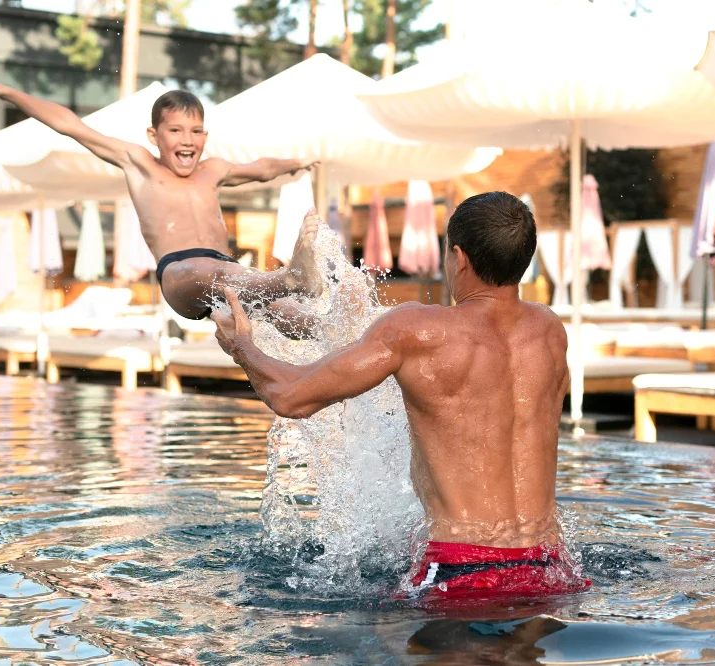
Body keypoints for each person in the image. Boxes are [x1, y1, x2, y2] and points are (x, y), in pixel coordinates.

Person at [212, 191, 590, 602]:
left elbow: (289, 396)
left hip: (460, 569)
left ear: (458, 257)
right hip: (550, 567)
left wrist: (243, 348)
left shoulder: (417, 330)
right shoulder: (550, 332)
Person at [0, 77, 320, 323]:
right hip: (180, 274)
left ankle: (338, 329)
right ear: (154, 135)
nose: (188, 139)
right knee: (222, 274)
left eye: (196, 131)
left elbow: (261, 168)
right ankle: (289, 279)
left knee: (297, 320)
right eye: (176, 130)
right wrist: (7, 92)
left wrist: (297, 163)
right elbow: (70, 125)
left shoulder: (213, 170)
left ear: (205, 135)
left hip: (227, 274)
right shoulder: (140, 165)